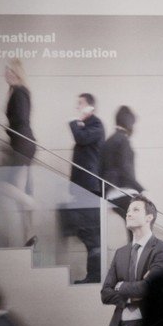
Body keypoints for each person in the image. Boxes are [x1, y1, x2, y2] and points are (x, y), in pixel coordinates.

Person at [100, 194, 163, 326]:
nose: (128, 214)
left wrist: (120, 286)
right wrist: (130, 296)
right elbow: (105, 293)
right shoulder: (120, 253)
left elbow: (149, 288)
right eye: (128, 211)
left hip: (147, 325)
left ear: (149, 218)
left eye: (135, 210)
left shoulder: (162, 249)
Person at [67, 93, 106, 283]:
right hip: (83, 187)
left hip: (90, 188)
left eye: (80, 103)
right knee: (86, 231)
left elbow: (81, 138)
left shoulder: (96, 125)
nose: (77, 107)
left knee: (91, 233)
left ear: (91, 106)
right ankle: (93, 274)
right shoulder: (88, 126)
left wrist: (75, 122)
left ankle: (95, 275)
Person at [1, 59, 37, 246]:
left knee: (4, 185)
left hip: (22, 144)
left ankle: (34, 204)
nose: (6, 73)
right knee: (20, 191)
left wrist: (9, 130)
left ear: (16, 72)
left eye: (9, 70)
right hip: (22, 144)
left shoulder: (19, 91)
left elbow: (21, 120)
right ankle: (28, 236)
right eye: (5, 70)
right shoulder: (17, 91)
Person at [99, 105, 143, 227]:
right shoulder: (123, 140)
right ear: (128, 123)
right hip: (123, 191)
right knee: (140, 225)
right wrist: (140, 189)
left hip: (111, 193)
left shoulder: (109, 141)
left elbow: (101, 167)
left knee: (134, 226)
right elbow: (125, 168)